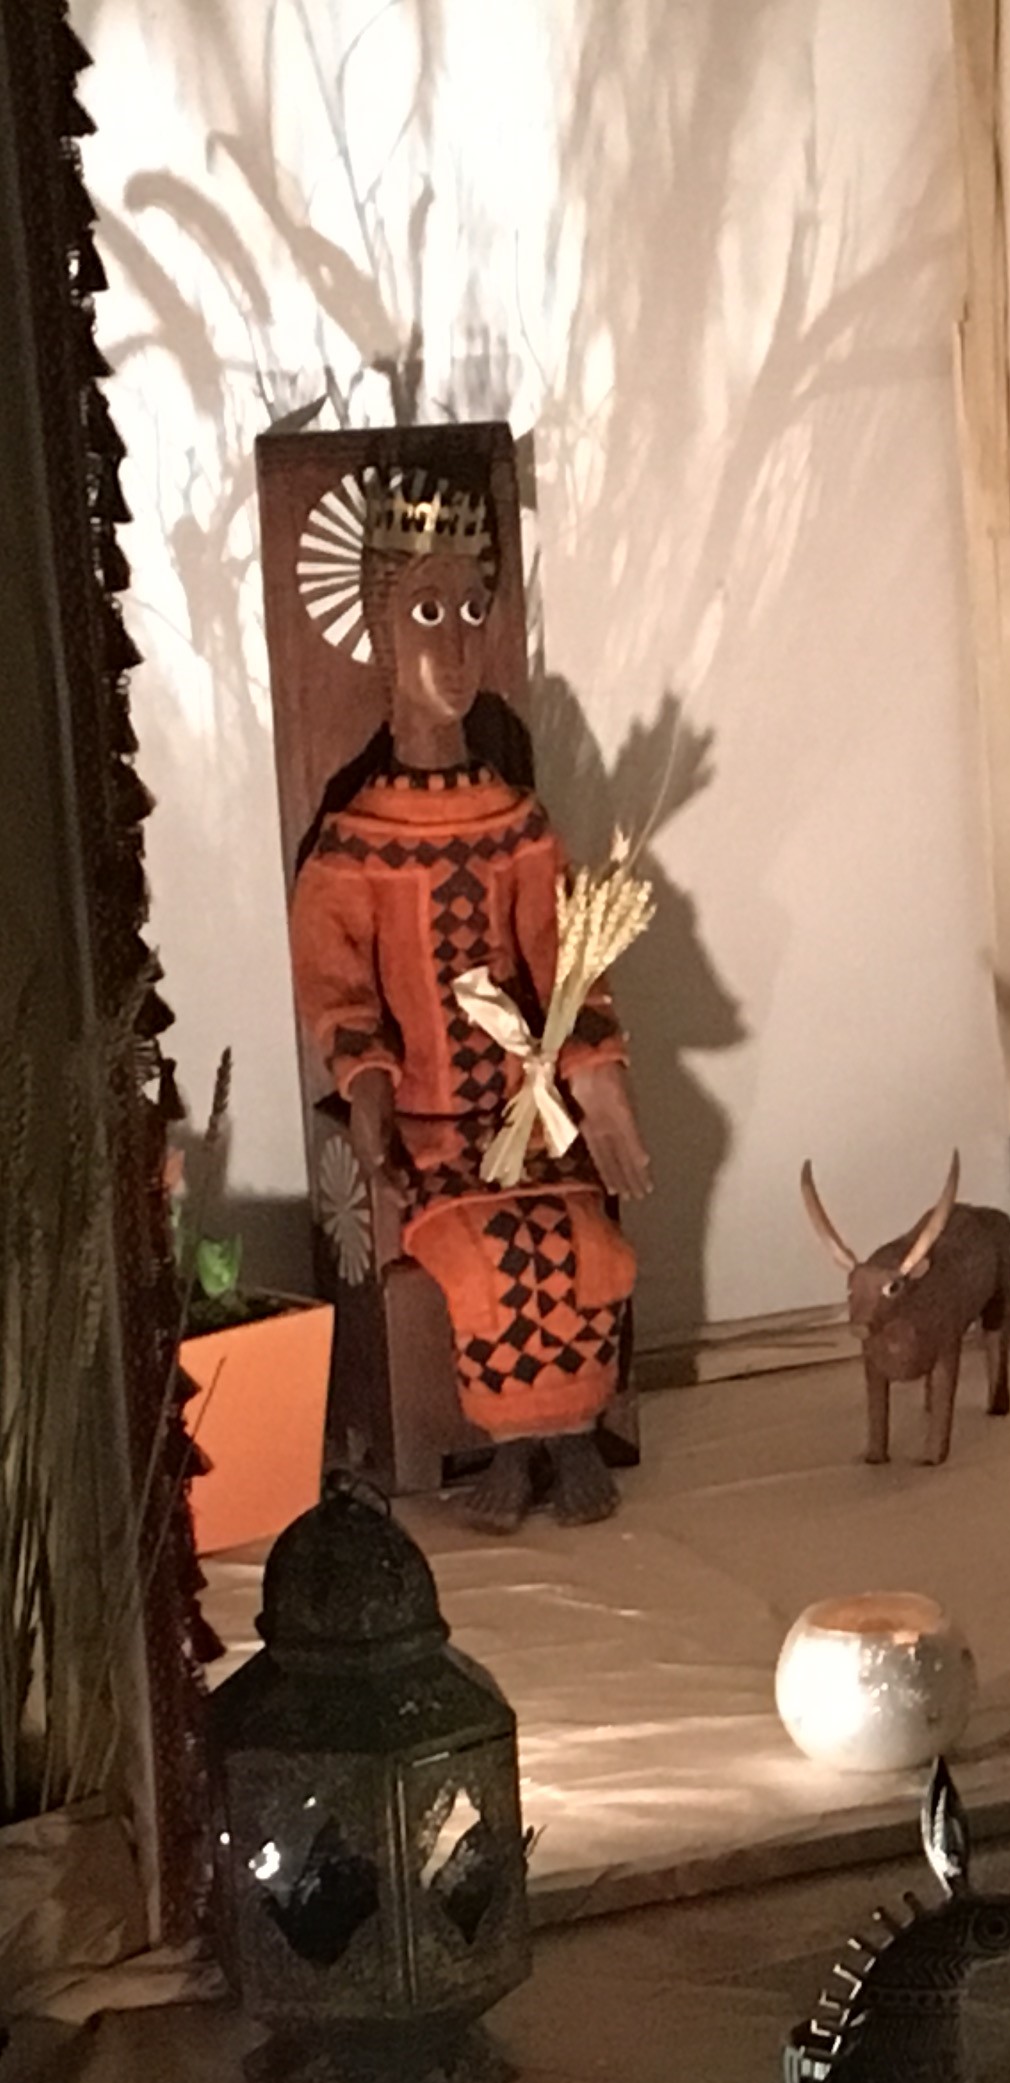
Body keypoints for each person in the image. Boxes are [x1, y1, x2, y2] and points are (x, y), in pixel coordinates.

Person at [287, 472, 653, 1529]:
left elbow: (566, 960)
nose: (455, 648)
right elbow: (337, 982)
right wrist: (363, 1090)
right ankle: (510, 1447)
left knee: (582, 1239)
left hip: (527, 1127)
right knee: (489, 1257)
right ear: (380, 628)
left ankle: (568, 1440)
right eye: (428, 614)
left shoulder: (518, 821)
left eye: (474, 614)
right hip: (435, 1135)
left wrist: (602, 1079)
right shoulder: (355, 845)